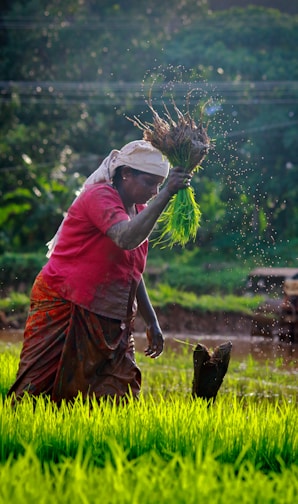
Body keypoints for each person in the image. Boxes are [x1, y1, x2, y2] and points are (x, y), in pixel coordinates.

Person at [7, 139, 192, 404]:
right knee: (39, 388)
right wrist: (166, 194)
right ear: (126, 174)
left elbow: (132, 270)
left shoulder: (138, 209)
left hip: (111, 314)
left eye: (159, 185)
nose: (154, 191)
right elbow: (126, 239)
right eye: (150, 183)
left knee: (120, 390)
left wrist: (151, 320)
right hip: (66, 301)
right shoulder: (100, 196)